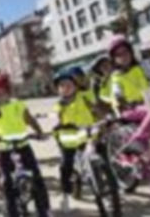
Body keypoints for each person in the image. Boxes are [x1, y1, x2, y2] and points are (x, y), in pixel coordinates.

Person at [0, 73, 50, 217]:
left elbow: (30, 119)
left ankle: (44, 210)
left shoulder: (17, 104)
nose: (1, 96)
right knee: (7, 182)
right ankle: (12, 212)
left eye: (4, 92)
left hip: (23, 145)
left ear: (9, 91)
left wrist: (40, 132)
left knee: (36, 177)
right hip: (4, 149)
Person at [109, 38, 150, 188]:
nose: (123, 56)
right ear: (114, 59)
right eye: (118, 55)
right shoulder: (116, 76)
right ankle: (138, 141)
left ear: (131, 53)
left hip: (147, 105)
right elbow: (116, 91)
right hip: (129, 109)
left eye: (125, 52)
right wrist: (120, 99)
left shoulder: (140, 68)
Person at [52, 71, 96, 212]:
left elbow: (94, 105)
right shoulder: (59, 104)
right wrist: (58, 123)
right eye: (62, 86)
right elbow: (56, 116)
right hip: (68, 138)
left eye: (69, 84)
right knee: (66, 165)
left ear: (76, 86)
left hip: (86, 134)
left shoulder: (83, 97)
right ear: (58, 90)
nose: (66, 88)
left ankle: (104, 182)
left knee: (97, 154)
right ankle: (66, 194)